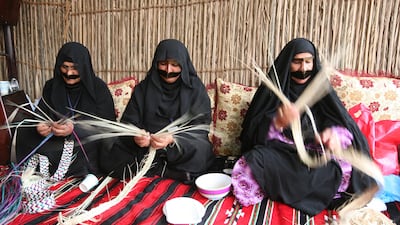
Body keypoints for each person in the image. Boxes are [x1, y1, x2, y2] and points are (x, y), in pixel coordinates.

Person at [233, 38, 376, 216]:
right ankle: (309, 190)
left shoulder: (321, 90)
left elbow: (342, 123)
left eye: (309, 61)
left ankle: (301, 189)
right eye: (297, 62)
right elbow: (251, 135)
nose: (304, 69)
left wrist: (332, 136)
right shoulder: (272, 90)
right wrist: (277, 122)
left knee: (341, 165)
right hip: (283, 155)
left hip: (316, 156)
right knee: (253, 160)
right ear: (287, 63)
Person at [100, 39, 215, 183]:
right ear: (156, 63)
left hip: (179, 145)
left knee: (200, 150)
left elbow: (201, 126)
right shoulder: (143, 89)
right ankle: (166, 171)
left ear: (183, 65)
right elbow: (129, 122)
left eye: (174, 64)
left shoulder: (195, 89)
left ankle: (154, 168)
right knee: (108, 149)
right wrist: (137, 136)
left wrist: (172, 139)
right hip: (146, 147)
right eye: (163, 63)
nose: (168, 70)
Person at [16, 41, 116, 178]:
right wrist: (40, 125)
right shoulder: (51, 86)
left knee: (101, 143)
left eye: (75, 68)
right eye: (65, 67)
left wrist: (74, 129)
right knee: (24, 130)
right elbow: (41, 112)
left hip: (83, 142)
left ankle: (72, 170)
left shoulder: (98, 88)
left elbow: (107, 125)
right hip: (55, 139)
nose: (69, 73)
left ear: (84, 67)